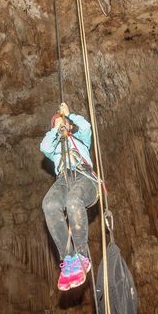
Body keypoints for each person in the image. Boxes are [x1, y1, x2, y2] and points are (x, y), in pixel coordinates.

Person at [40, 102, 98, 291]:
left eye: (63, 123)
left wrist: (69, 115)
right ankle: (69, 259)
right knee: (49, 204)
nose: (61, 125)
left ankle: (82, 255)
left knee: (73, 202)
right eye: (57, 124)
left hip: (84, 178)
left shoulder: (81, 139)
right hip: (63, 180)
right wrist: (56, 128)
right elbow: (44, 146)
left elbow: (87, 126)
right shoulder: (54, 148)